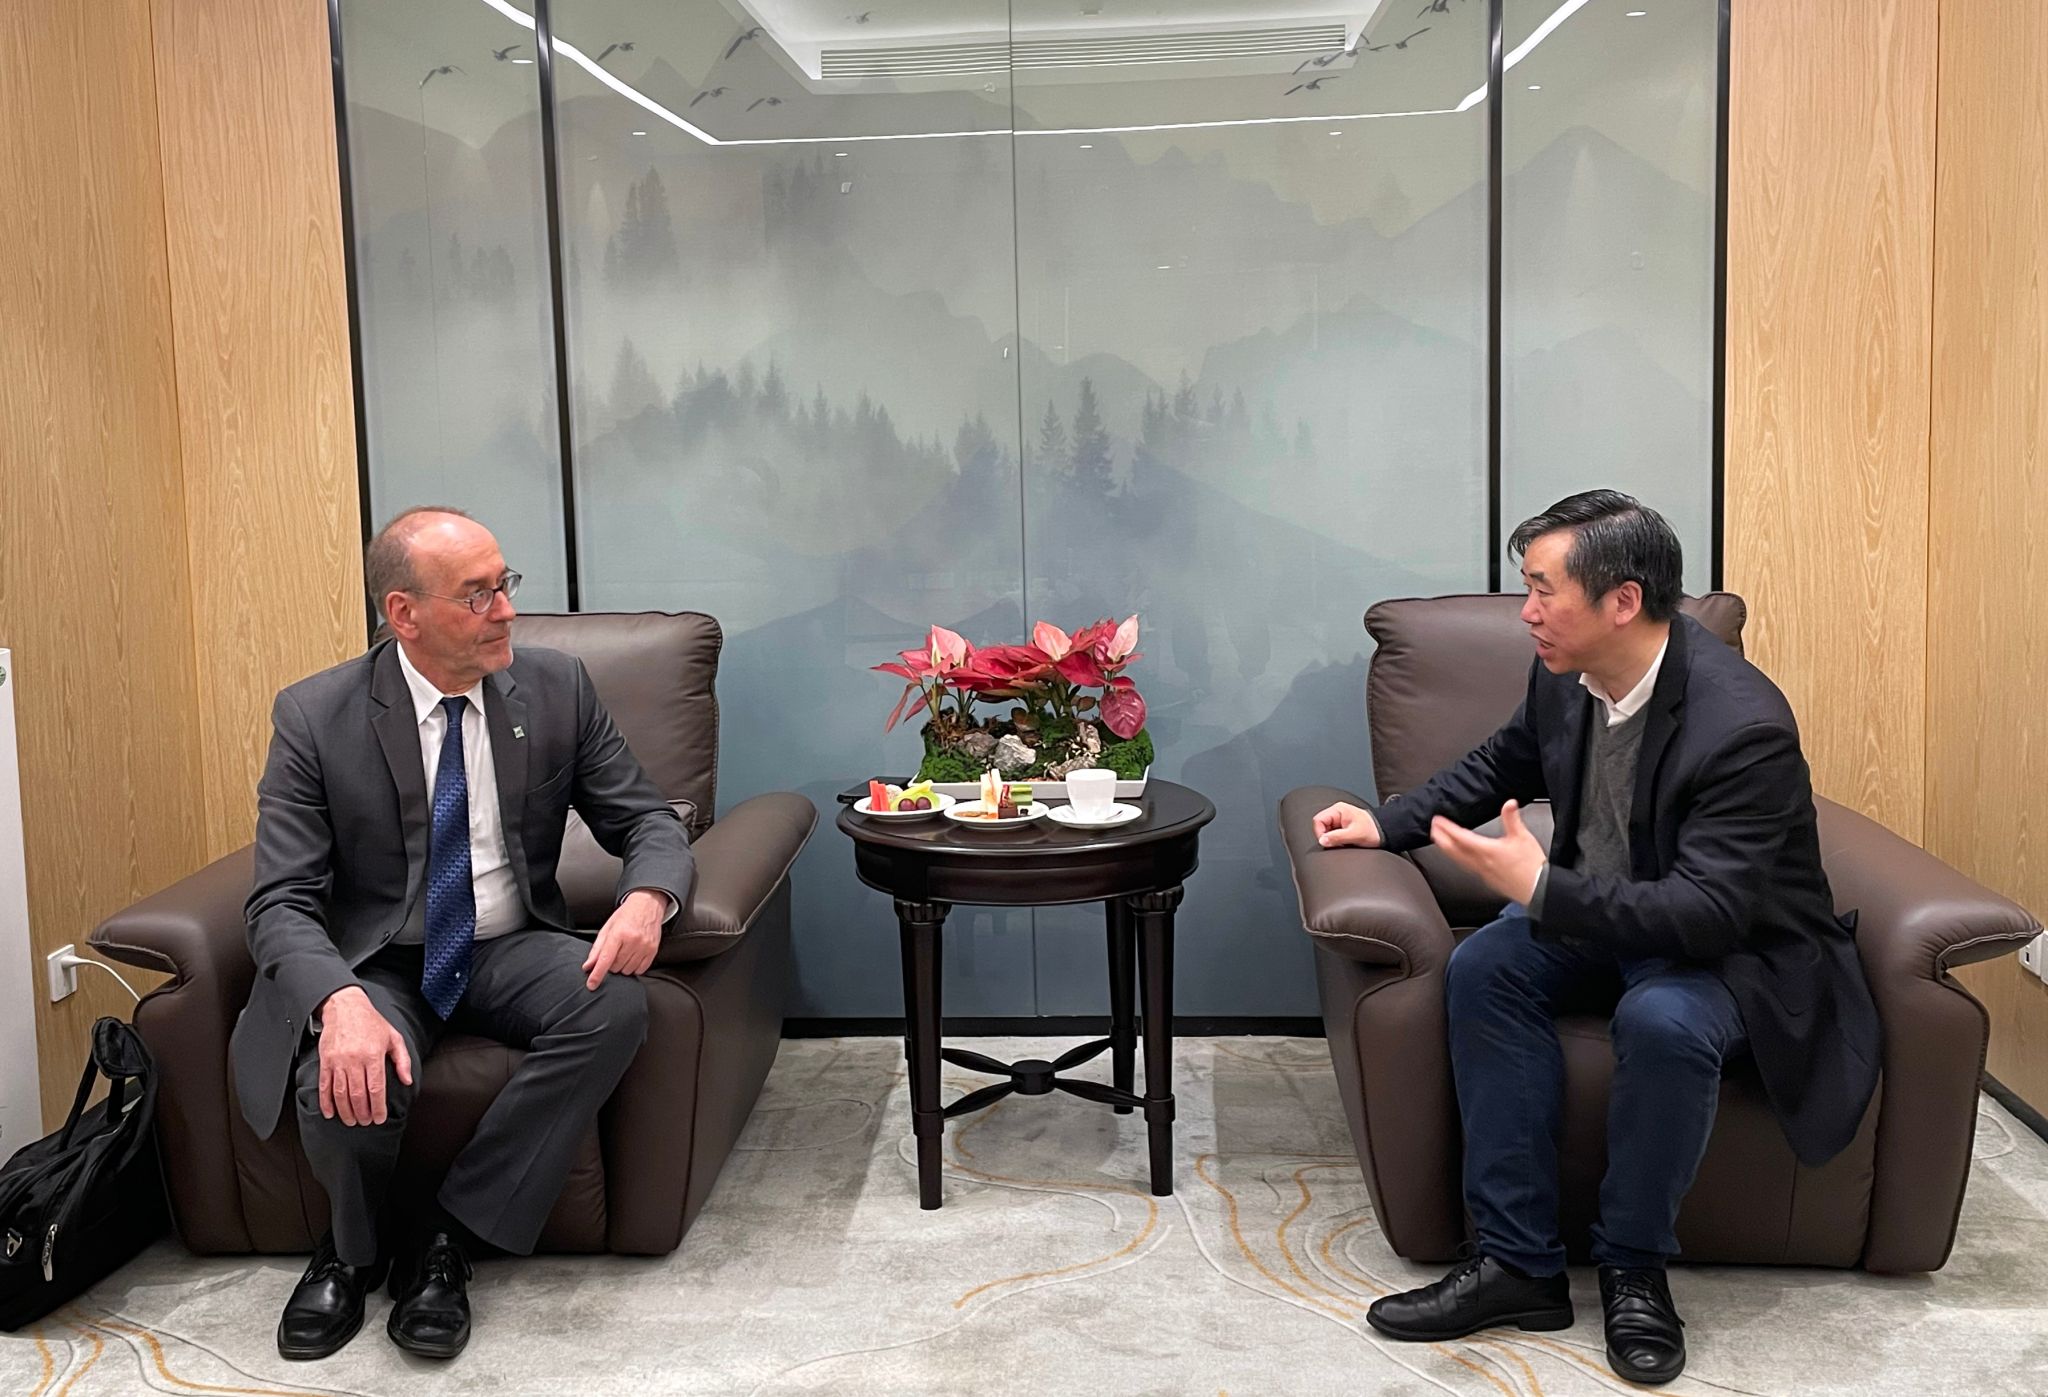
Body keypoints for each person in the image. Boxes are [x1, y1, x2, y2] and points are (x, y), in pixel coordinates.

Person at [1313, 490, 1877, 1385]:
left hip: (1731, 951)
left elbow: (1706, 913)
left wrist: (1542, 887)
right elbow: (1503, 761)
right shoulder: (1564, 673)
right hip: (1599, 916)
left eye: (1544, 589)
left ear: (1623, 599)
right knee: (1485, 965)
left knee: (1663, 1019)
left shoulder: (1743, 727)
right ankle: (1517, 1262)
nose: (1527, 611)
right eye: (1526, 587)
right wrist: (1389, 822)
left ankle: (1634, 1267)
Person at [233, 507, 693, 1362]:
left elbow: (647, 819)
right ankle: (352, 1252)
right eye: (477, 594)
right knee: (349, 1070)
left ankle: (447, 1236)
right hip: (377, 959)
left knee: (614, 1005)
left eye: (504, 583)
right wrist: (337, 1000)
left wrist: (647, 897)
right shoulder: (315, 715)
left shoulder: (557, 689)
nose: (507, 610)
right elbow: (281, 899)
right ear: (403, 613)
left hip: (508, 946)